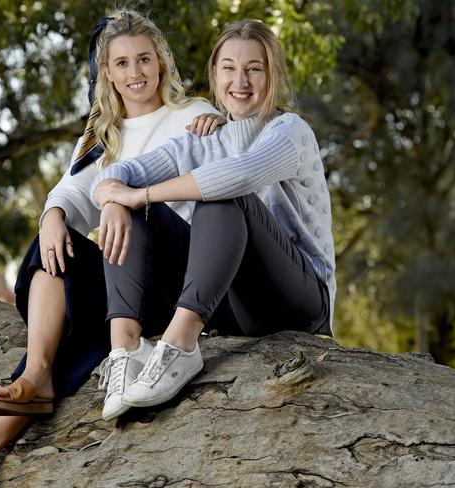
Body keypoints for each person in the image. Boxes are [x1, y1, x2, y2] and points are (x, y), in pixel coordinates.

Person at [0, 10, 223, 487]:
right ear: (107, 72)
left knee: (128, 207)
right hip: (124, 283)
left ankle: (22, 397)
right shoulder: (102, 133)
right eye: (122, 63)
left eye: (144, 60)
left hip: (176, 275)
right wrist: (53, 218)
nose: (135, 73)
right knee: (56, 259)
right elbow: (69, 192)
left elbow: (220, 183)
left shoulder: (193, 115)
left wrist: (214, 124)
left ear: (161, 64)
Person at [90, 19, 336, 413]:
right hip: (233, 307)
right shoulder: (205, 138)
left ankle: (180, 345)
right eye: (228, 68)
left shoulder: (291, 131)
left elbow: (240, 175)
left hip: (299, 303)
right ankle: (126, 351)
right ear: (214, 74)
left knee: (222, 196)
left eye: (254, 68)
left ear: (272, 75)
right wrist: (114, 200)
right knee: (131, 213)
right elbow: (115, 174)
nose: (240, 80)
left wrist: (142, 194)